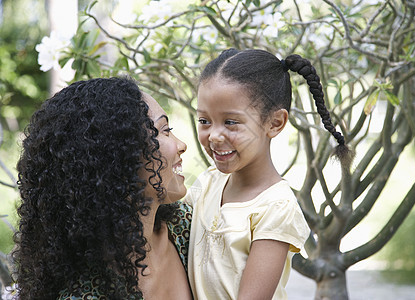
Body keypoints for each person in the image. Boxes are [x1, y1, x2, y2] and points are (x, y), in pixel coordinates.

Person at [185, 48, 352, 299]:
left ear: (274, 123)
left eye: (231, 122)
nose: (215, 136)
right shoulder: (208, 182)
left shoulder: (276, 207)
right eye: (204, 121)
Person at [13, 77, 193, 299]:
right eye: (164, 130)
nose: (181, 145)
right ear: (119, 159)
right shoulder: (85, 294)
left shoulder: (187, 228)